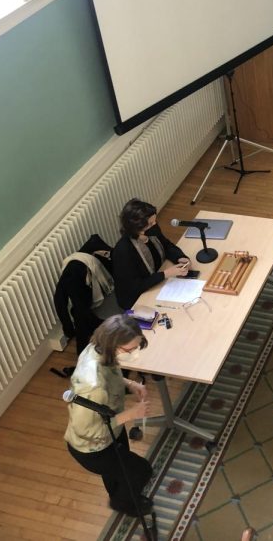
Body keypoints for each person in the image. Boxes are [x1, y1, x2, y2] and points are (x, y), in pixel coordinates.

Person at [65, 314, 153, 515]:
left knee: (118, 474)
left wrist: (129, 383)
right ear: (114, 345)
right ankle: (123, 504)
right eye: (130, 350)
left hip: (112, 427)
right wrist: (131, 414)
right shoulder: (93, 387)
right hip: (94, 448)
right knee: (141, 471)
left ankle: (121, 497)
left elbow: (111, 372)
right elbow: (87, 430)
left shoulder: (96, 348)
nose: (135, 353)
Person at [113, 199, 190, 310]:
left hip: (158, 279)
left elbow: (167, 245)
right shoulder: (123, 251)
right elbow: (135, 286)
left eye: (154, 221)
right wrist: (165, 274)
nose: (154, 225)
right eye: (150, 224)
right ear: (137, 227)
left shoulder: (152, 229)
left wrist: (180, 257)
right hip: (137, 297)